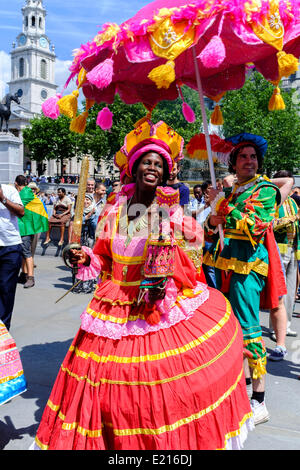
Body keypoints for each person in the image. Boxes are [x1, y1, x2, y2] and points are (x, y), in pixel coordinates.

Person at [32, 120, 253, 450]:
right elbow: (104, 258)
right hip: (111, 308)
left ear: (165, 173)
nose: (152, 167)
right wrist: (83, 257)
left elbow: (192, 258)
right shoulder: (113, 210)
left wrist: (169, 257)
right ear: (134, 169)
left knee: (153, 395)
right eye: (146, 162)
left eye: (158, 164)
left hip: (155, 308)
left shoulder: (172, 213)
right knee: (105, 393)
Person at [204, 133, 292, 426]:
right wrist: (211, 219)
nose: (249, 161)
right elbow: (211, 231)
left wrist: (224, 209)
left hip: (248, 269)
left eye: (253, 157)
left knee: (249, 329)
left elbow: (254, 226)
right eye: (243, 157)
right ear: (234, 162)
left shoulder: (265, 190)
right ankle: (237, 390)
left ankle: (260, 399)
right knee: (230, 330)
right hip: (223, 267)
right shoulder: (232, 191)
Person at [269, 170, 300, 352]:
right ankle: (275, 328)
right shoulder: (273, 202)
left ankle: (286, 324)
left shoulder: (294, 204)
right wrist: (290, 219)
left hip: (292, 249)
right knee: (279, 291)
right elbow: (270, 224)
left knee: (290, 290)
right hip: (278, 250)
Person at [15, 175, 49, 289]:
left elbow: (15, 206)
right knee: (24, 253)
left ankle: (30, 277)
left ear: (16, 184)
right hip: (26, 227)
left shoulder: (23, 194)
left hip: (26, 228)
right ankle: (24, 275)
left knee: (27, 253)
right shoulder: (28, 192)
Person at [0, 182, 24, 330]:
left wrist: (2, 198)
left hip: (10, 247)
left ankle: (3, 334)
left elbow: (21, 212)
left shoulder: (9, 190)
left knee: (6, 290)